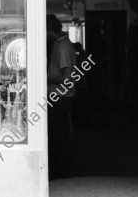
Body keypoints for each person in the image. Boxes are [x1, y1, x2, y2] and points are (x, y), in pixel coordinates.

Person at [46, 14, 76, 180]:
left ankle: (62, 176)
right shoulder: (59, 44)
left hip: (60, 96)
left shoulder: (63, 46)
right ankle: (61, 171)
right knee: (59, 134)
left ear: (50, 30)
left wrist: (45, 79)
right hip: (59, 96)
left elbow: (66, 79)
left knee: (58, 136)